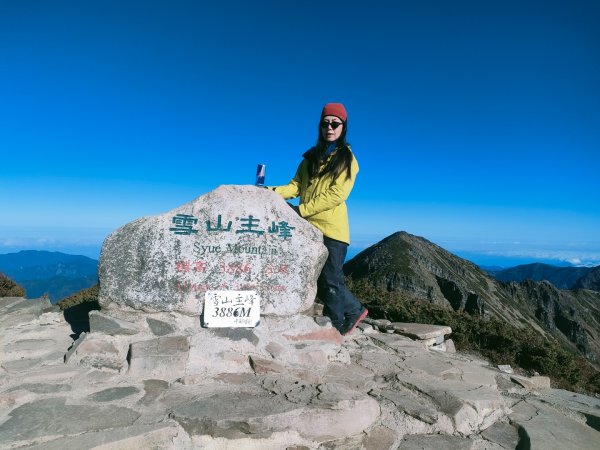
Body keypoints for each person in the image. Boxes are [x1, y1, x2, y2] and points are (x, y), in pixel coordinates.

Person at [268, 103, 368, 335]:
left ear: (344, 127)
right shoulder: (309, 158)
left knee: (331, 280)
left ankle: (334, 328)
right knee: (319, 278)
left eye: (335, 123)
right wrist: (268, 192)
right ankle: (355, 309)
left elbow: (337, 194)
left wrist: (302, 210)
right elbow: (294, 187)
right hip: (309, 229)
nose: (329, 127)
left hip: (333, 230)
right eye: (325, 123)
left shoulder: (347, 158)